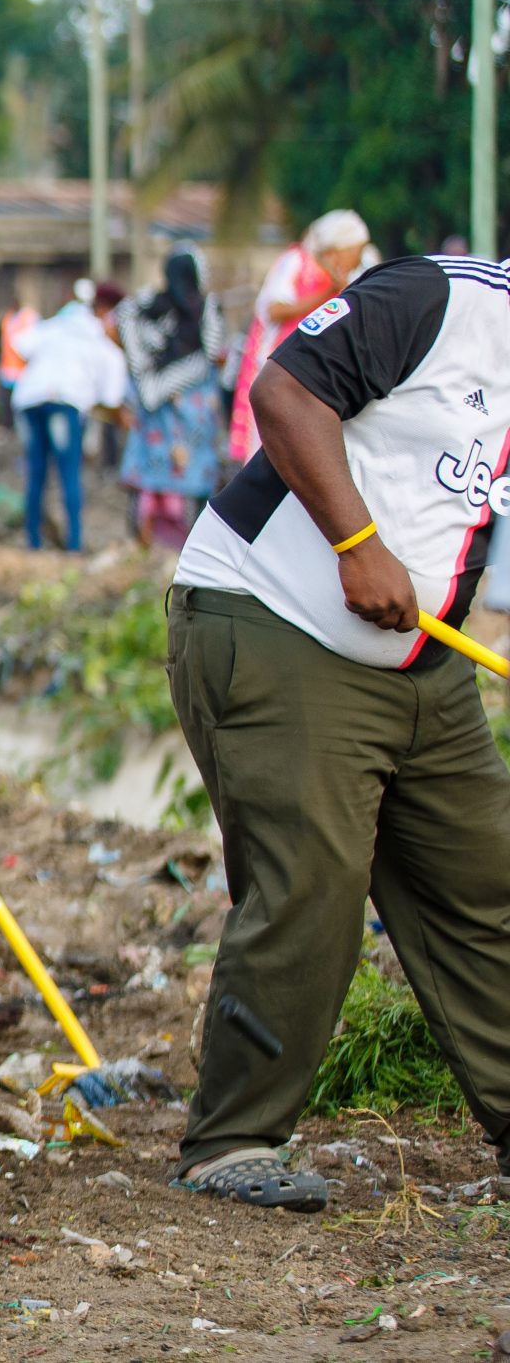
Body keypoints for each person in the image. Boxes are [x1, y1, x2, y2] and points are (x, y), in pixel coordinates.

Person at [166, 251, 510, 1212]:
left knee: (485, 881)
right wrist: (358, 545)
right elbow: (285, 394)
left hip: (423, 661)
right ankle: (231, 1139)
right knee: (314, 882)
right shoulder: (439, 299)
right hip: (275, 620)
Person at [228, 209, 371, 463]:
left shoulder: (342, 279)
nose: (357, 260)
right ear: (339, 249)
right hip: (278, 366)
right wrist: (327, 293)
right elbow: (275, 309)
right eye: (355, 252)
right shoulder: (297, 262)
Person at [115, 250, 228, 549]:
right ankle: (188, 548)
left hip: (156, 413)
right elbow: (213, 352)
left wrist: (152, 381)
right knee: (192, 486)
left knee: (151, 482)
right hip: (193, 415)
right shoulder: (205, 308)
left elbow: (124, 318)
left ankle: (146, 544)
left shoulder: (149, 310)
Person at [9, 280, 129, 551]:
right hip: (64, 402)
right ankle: (74, 543)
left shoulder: (55, 324)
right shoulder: (99, 337)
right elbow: (111, 398)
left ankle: (33, 542)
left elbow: (21, 346)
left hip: (29, 399)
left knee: (36, 472)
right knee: (69, 472)